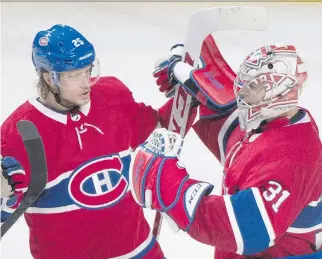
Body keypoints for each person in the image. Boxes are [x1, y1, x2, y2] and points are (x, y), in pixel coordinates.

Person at [0, 24, 198, 259]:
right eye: (74, 75)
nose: (86, 83)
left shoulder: (111, 97)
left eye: (88, 70)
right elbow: (6, 208)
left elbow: (164, 131)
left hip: (140, 251)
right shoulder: (21, 132)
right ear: (48, 77)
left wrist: (188, 97)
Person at [130, 35, 322, 259]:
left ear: (276, 96)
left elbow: (244, 229)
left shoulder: (293, 156)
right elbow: (240, 145)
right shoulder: (280, 126)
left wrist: (170, 188)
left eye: (252, 89)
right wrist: (200, 88)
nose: (241, 94)